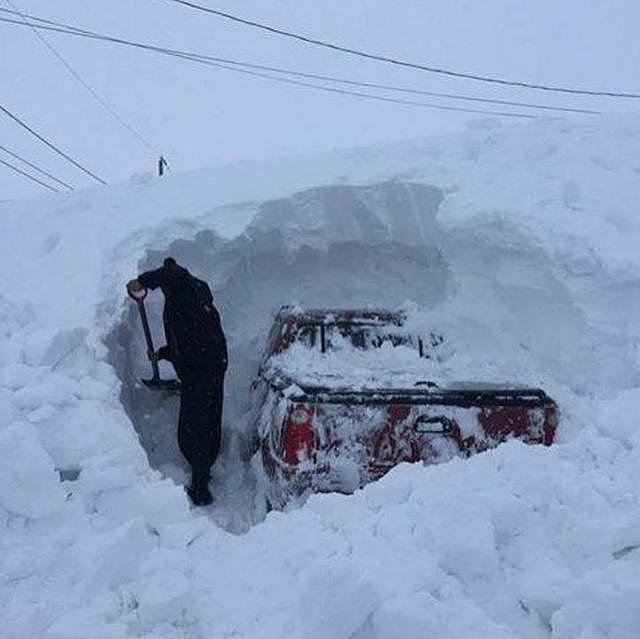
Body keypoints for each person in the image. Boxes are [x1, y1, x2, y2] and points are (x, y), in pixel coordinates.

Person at [126, 257, 227, 506]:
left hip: (201, 368)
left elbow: (175, 275)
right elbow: (188, 340)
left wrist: (141, 281)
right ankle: (205, 465)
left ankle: (200, 485)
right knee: (209, 419)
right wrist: (162, 353)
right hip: (211, 361)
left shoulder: (183, 285)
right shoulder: (193, 300)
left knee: (195, 425)